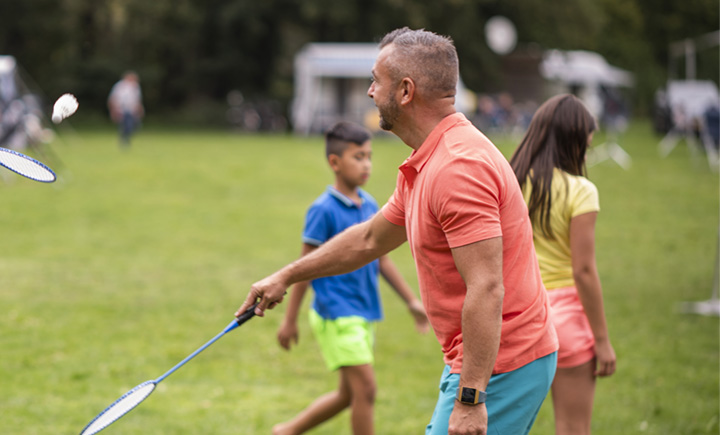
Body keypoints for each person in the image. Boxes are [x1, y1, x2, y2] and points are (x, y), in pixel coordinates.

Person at [237, 27, 559, 435]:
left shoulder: (459, 169)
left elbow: (487, 287)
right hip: (481, 361)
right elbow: (370, 239)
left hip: (505, 364)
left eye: (377, 80)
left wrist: (471, 399)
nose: (371, 91)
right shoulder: (427, 161)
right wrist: (287, 274)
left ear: (405, 91)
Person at [272, 121, 430, 435]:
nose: (367, 164)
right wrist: (289, 320)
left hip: (362, 311)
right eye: (358, 157)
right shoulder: (323, 210)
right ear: (334, 162)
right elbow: (304, 267)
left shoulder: (371, 205)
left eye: (369, 156)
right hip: (336, 313)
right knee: (366, 390)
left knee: (349, 395)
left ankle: (286, 431)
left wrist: (411, 301)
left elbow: (381, 260)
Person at [508, 94, 617, 435]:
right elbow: (583, 272)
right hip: (566, 320)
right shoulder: (581, 191)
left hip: (517, 318)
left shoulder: (510, 183)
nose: (586, 153)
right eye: (585, 145)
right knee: (572, 428)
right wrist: (601, 339)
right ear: (572, 142)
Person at [107, 71, 144, 149]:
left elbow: (137, 99)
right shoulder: (120, 87)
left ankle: (126, 138)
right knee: (127, 125)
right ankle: (124, 140)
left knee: (136, 125)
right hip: (122, 110)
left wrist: (140, 109)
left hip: (132, 110)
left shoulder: (135, 87)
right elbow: (113, 98)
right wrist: (114, 110)